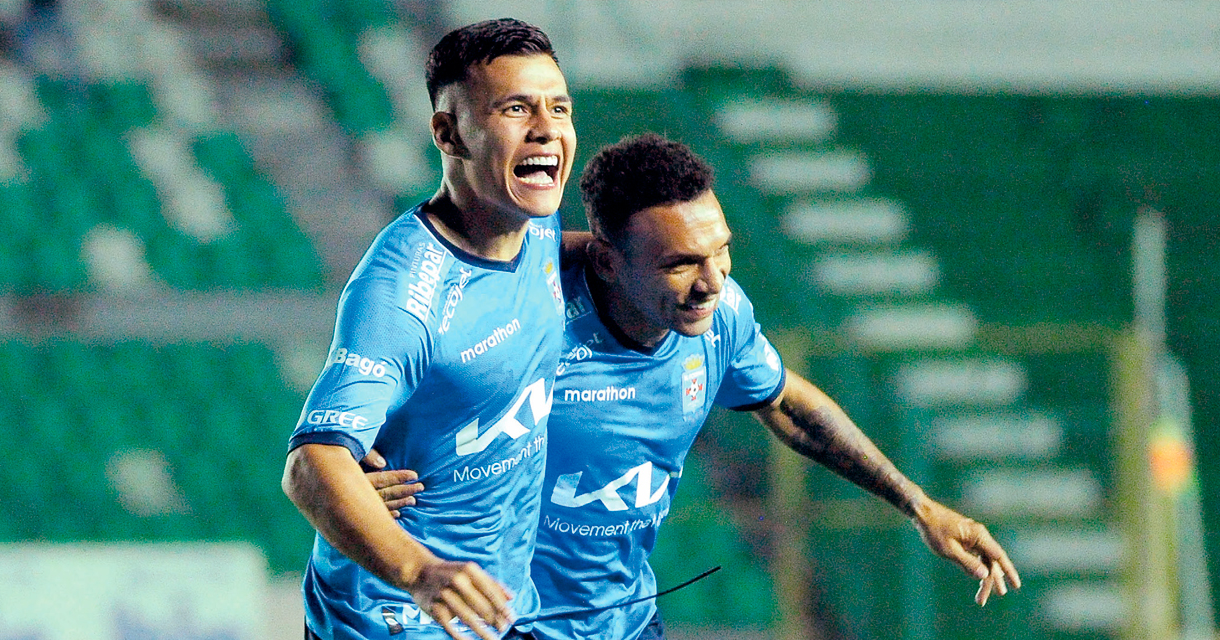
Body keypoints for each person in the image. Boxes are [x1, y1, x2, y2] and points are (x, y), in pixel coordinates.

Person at [375, 133, 1021, 640]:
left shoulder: (722, 317)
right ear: (606, 260)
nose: (712, 281)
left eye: (721, 251)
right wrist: (357, 471)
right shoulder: (522, 327)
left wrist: (918, 505)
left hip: (621, 622)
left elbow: (787, 404)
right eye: (682, 263)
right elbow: (383, 401)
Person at [282, 18, 577, 640]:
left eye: (558, 107)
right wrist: (421, 571)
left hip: (498, 611)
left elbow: (573, 264)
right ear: (448, 132)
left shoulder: (535, 224)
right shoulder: (404, 293)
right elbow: (310, 464)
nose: (547, 129)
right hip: (394, 619)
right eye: (517, 109)